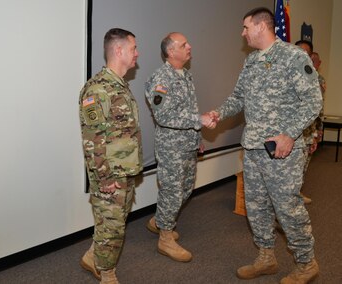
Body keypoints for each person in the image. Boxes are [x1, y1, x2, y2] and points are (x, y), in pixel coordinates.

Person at [208, 7, 322, 283]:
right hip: (253, 148)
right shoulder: (251, 61)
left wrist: (290, 135)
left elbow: (313, 102)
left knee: (287, 207)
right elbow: (238, 98)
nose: (242, 33)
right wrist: (218, 113)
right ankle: (266, 257)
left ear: (261, 26)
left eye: (246, 27)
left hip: (282, 151)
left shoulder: (294, 57)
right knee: (256, 206)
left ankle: (306, 263)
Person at [79, 28, 143, 284]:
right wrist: (104, 177)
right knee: (113, 228)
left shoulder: (120, 86)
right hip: (110, 176)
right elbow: (92, 140)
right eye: (134, 48)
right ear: (119, 50)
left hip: (124, 171)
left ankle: (93, 255)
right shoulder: (97, 89)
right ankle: (107, 273)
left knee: (113, 223)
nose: (137, 53)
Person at [144, 32, 215, 262]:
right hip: (171, 148)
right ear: (171, 51)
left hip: (187, 144)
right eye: (184, 45)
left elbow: (188, 109)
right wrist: (199, 120)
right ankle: (165, 238)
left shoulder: (185, 75)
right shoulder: (161, 79)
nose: (189, 46)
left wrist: (198, 138)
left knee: (185, 188)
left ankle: (159, 221)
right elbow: (164, 116)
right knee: (172, 192)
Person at [295, 42, 326, 205]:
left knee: (303, 166)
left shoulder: (312, 77)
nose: (302, 55)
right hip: (290, 135)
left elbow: (316, 109)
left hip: (307, 132)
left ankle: (297, 194)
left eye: (306, 52)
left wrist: (316, 133)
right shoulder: (286, 74)